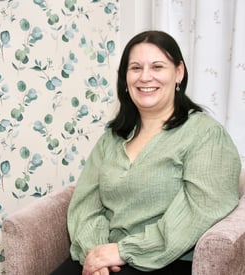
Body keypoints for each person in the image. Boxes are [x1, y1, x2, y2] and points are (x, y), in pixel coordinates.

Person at [51, 30, 241, 275]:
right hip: (106, 258)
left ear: (179, 72)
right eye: (136, 68)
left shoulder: (205, 134)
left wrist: (124, 250)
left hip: (167, 261)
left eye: (157, 66)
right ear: (126, 79)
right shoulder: (112, 137)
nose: (145, 77)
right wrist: (97, 252)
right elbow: (86, 203)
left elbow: (202, 208)